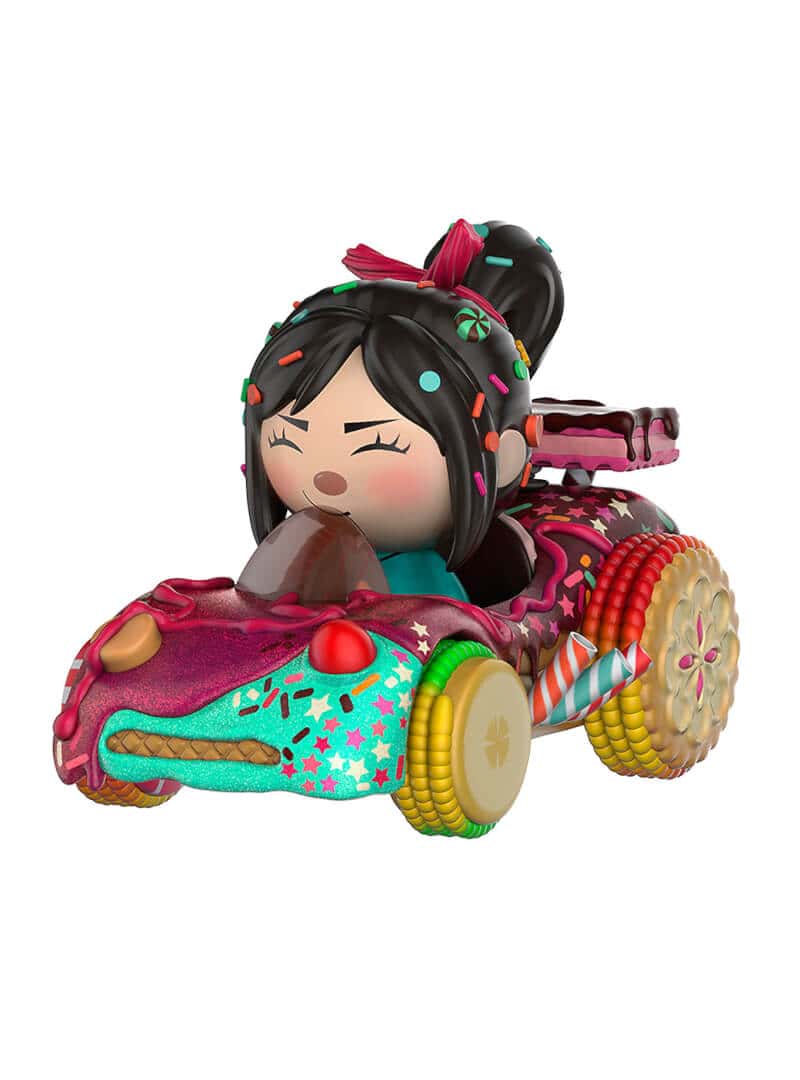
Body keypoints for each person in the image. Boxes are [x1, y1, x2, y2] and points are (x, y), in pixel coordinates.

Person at [243, 219, 563, 601]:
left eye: (381, 441)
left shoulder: (424, 591)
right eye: (286, 437)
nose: (327, 478)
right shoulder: (300, 556)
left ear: (503, 457)